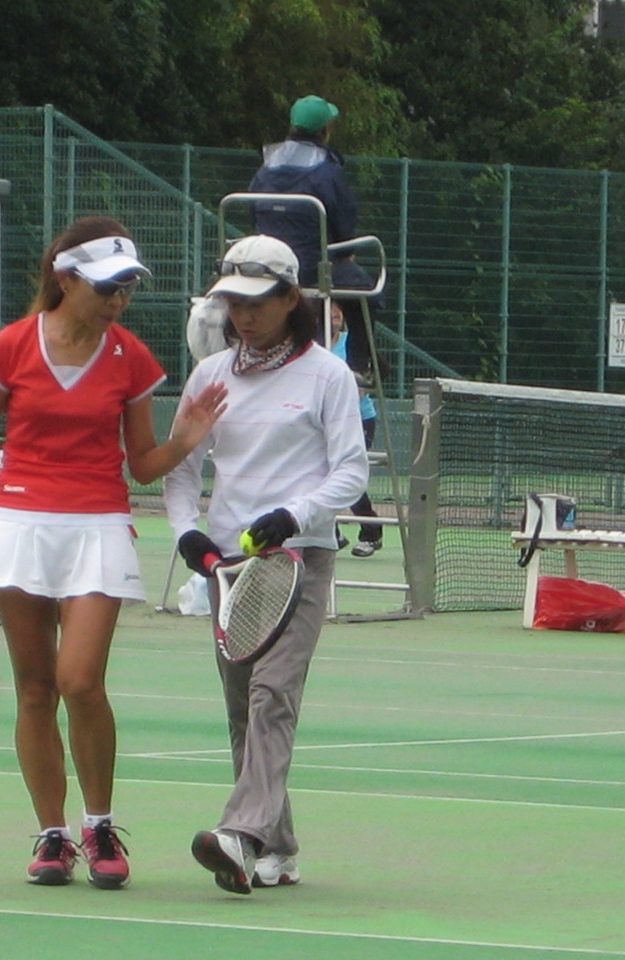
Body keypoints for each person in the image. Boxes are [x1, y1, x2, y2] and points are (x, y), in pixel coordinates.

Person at [0, 215, 226, 891]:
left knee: (79, 681)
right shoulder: (12, 346)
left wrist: (188, 439)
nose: (118, 300)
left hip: (96, 527)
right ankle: (53, 837)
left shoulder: (131, 359)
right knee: (35, 690)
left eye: (126, 289)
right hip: (19, 525)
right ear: (66, 280)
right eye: (106, 287)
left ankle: (99, 824)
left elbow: (143, 465)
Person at [164, 234, 369, 894]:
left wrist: (293, 516)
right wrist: (187, 535)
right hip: (230, 568)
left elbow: (351, 473)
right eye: (232, 303)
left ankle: (237, 834)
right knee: (243, 713)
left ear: (289, 298)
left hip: (300, 559)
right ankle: (274, 848)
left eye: (256, 302)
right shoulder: (209, 376)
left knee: (271, 696)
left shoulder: (327, 376)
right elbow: (179, 471)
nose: (242, 316)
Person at [248, 93, 378, 376]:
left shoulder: (266, 168)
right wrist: (344, 251)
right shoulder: (327, 171)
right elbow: (344, 222)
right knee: (368, 293)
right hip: (313, 267)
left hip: (267, 268)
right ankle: (359, 364)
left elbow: (252, 213)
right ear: (325, 131)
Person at [329, 301, 383, 557]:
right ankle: (331, 532)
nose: (335, 316)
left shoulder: (354, 344)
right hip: (325, 421)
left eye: (339, 313)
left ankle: (371, 533)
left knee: (347, 472)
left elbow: (372, 377)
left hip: (359, 419)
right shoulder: (311, 346)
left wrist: (357, 390)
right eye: (330, 311)